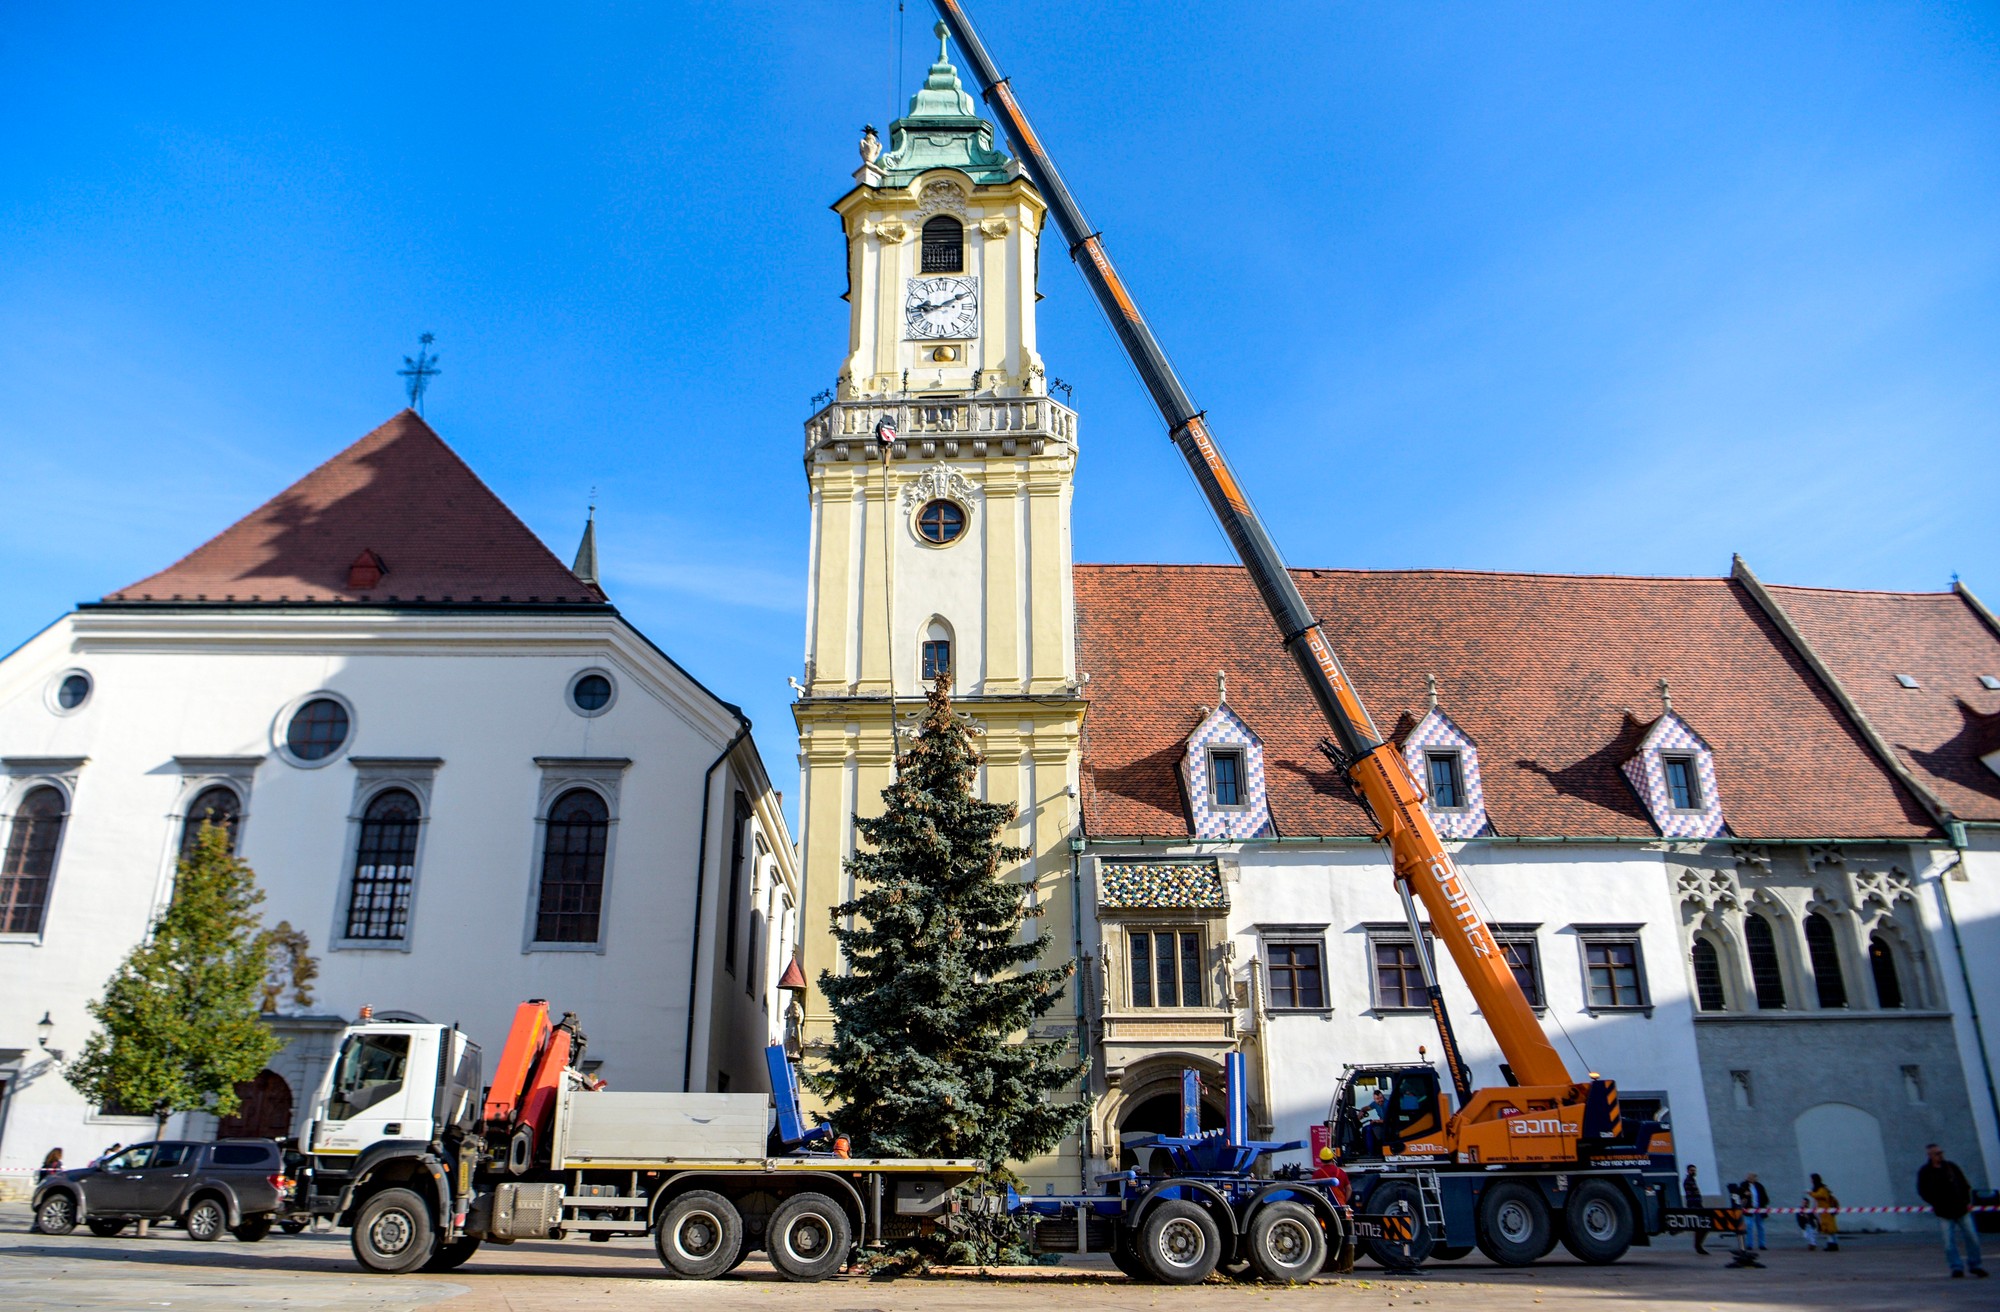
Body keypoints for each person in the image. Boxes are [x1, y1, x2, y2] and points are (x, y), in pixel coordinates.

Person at [1917, 1144, 1988, 1278]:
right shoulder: (1925, 1172)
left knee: (1972, 1238)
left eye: (1941, 1152)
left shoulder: (1951, 1167)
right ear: (1930, 1155)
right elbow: (1922, 1190)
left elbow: (1965, 1184)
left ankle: (1975, 1265)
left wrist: (1966, 1201)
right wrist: (1935, 1202)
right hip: (1944, 1212)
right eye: (1937, 1153)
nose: (1940, 1155)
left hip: (1961, 1209)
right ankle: (1956, 1267)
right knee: (1949, 1243)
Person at [1804, 1174, 1839, 1252]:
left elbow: (1819, 1195)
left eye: (1812, 1179)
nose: (1811, 1181)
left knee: (1828, 1229)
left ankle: (1831, 1245)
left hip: (1825, 1212)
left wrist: (1810, 1193)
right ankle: (1833, 1244)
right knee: (1829, 1229)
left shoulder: (1822, 1189)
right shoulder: (1822, 1188)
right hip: (1823, 1212)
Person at [1735, 1173, 1770, 1251]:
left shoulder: (1759, 1186)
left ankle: (1762, 1244)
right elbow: (1739, 1194)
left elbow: (1765, 1197)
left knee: (1760, 1226)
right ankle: (1749, 1244)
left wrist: (1763, 1205)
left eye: (1753, 1177)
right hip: (1748, 1209)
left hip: (1759, 1208)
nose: (1751, 1178)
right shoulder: (1743, 1185)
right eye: (1749, 1177)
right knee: (1749, 1226)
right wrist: (1745, 1196)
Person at [1683, 1164, 1708, 1255]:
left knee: (1703, 1226)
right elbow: (1692, 1194)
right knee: (1701, 1226)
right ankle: (1698, 1245)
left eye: (1694, 1170)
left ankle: (1698, 1245)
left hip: (1697, 1204)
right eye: (1692, 1170)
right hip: (1694, 1205)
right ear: (1688, 1171)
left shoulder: (1692, 1180)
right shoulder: (1688, 1181)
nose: (1694, 1172)